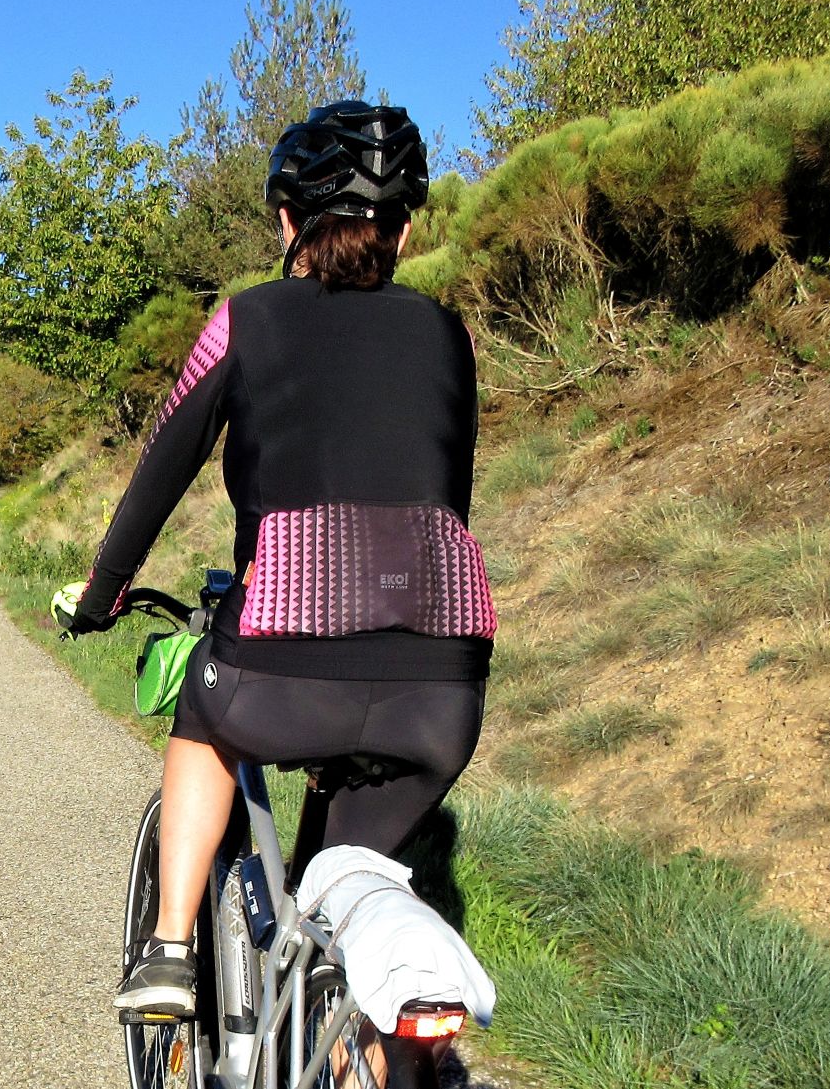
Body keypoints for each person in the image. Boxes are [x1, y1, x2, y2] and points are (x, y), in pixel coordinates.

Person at [52, 101, 495, 1016]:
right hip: (443, 685)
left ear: (288, 220)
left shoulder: (246, 320)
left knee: (204, 713)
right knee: (344, 902)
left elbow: (159, 470)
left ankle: (171, 946)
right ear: (405, 230)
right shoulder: (450, 335)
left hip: (283, 658)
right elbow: (443, 499)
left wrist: (101, 593)